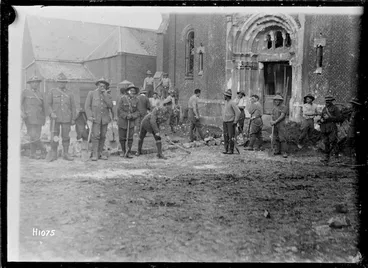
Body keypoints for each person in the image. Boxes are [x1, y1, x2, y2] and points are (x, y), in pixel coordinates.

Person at [47, 72, 77, 161]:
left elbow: (73, 107)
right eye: (60, 82)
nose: (62, 83)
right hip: (55, 119)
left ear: (66, 83)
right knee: (55, 136)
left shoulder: (70, 93)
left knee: (66, 137)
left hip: (66, 119)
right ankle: (54, 154)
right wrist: (51, 113)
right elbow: (48, 105)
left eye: (63, 82)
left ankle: (66, 154)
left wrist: (73, 118)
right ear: (57, 82)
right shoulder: (52, 92)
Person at [85, 78, 113, 161]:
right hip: (95, 119)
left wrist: (105, 95)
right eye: (100, 85)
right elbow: (87, 106)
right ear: (97, 85)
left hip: (104, 119)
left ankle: (100, 153)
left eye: (104, 86)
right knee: (96, 136)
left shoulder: (107, 95)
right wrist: (90, 116)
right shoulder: (92, 93)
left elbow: (110, 106)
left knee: (103, 136)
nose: (102, 87)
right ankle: (95, 154)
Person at [21, 76, 47, 159]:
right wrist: (22, 113)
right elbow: (19, 104)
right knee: (33, 135)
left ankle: (33, 154)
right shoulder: (25, 92)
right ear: (30, 84)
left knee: (36, 136)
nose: (35, 84)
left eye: (37, 82)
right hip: (29, 118)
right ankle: (44, 149)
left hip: (39, 118)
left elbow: (44, 107)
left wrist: (44, 118)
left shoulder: (41, 94)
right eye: (33, 82)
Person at [116, 85, 140, 158]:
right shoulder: (122, 99)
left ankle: (128, 152)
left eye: (134, 91)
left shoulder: (137, 100)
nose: (133, 92)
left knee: (130, 138)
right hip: (122, 121)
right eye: (131, 90)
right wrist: (126, 115)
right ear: (128, 91)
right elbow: (119, 110)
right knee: (122, 138)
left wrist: (132, 116)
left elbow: (138, 112)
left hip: (131, 122)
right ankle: (123, 151)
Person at [319, 95, 341, 164]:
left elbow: (339, 118)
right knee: (326, 142)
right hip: (324, 128)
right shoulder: (324, 109)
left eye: (329, 101)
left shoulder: (335, 108)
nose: (327, 102)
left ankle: (336, 157)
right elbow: (322, 117)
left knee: (334, 141)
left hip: (332, 127)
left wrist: (329, 118)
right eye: (326, 101)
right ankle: (326, 158)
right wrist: (321, 120)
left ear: (331, 101)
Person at [222, 89, 240, 154]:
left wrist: (235, 121)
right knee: (225, 135)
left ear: (227, 96)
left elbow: (238, 112)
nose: (224, 96)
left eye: (224, 95)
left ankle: (230, 150)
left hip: (230, 122)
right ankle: (226, 149)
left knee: (230, 136)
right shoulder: (226, 102)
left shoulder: (232, 103)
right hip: (225, 121)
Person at [346, 97, 363, 165]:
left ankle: (356, 160)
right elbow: (350, 120)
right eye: (352, 104)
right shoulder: (352, 111)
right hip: (351, 129)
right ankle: (349, 160)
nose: (352, 105)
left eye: (353, 104)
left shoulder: (359, 112)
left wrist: (358, 130)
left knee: (355, 144)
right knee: (349, 144)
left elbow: (360, 122)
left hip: (355, 130)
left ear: (356, 105)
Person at [270, 94, 288, 158]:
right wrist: (271, 121)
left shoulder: (284, 107)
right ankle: (277, 150)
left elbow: (282, 116)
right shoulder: (274, 108)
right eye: (275, 100)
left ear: (281, 101)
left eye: (278, 100)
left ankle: (284, 152)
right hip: (275, 125)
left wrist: (275, 121)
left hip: (281, 124)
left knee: (282, 138)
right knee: (276, 137)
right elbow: (272, 115)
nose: (277, 102)